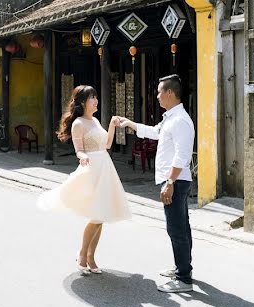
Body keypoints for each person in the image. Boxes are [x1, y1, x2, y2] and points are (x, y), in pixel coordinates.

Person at [37, 85, 131, 275]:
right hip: (92, 168)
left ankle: (91, 256)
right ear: (82, 102)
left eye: (96, 96)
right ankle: (82, 253)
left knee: (101, 216)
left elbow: (107, 144)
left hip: (105, 167)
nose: (96, 100)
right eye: (92, 98)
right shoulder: (78, 123)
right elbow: (78, 148)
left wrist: (112, 125)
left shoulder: (95, 121)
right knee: (97, 215)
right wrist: (82, 156)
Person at [118, 74, 196, 293]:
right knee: (182, 226)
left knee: (176, 229)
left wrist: (170, 182)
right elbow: (154, 132)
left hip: (176, 180)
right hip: (174, 180)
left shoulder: (180, 120)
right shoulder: (171, 117)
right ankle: (183, 267)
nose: (158, 95)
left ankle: (184, 278)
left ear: (170, 93)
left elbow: (182, 155)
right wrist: (130, 124)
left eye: (160, 91)